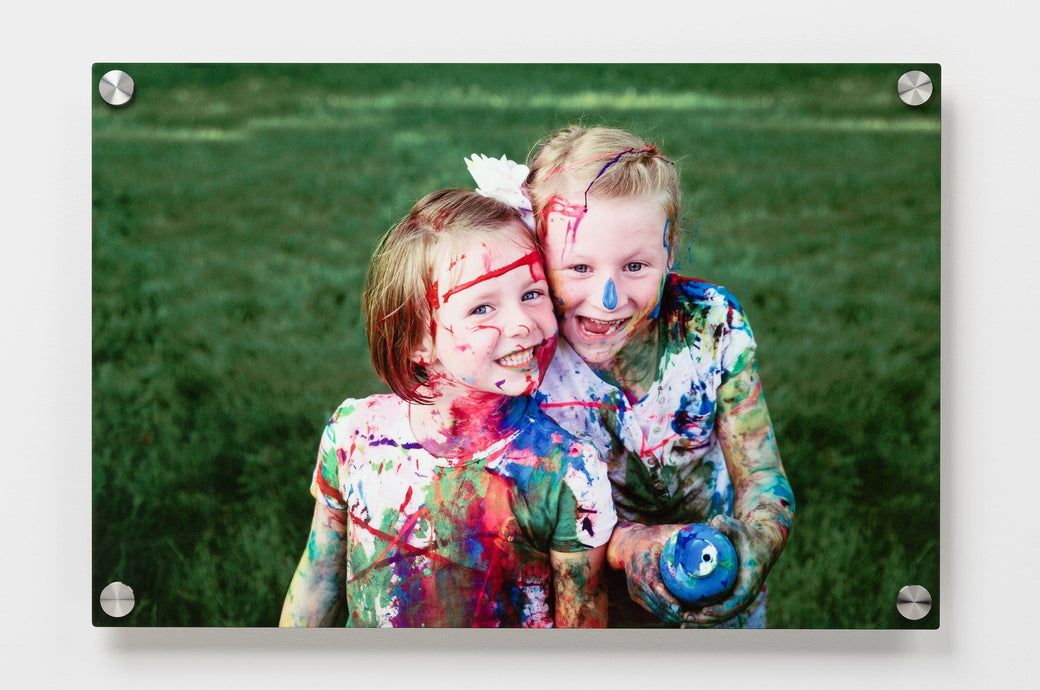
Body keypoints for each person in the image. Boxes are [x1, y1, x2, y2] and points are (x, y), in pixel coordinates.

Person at [279, 188, 617, 628]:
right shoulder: (354, 437)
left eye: (532, 294)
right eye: (482, 307)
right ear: (420, 340)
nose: (521, 323)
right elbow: (319, 580)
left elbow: (582, 629)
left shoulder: (567, 472)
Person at [521, 125, 795, 628]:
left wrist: (758, 539)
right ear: (537, 258)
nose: (608, 298)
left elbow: (760, 473)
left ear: (671, 251)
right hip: (588, 610)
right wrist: (629, 546)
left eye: (636, 265)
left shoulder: (712, 324)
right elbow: (527, 520)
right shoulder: (523, 363)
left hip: (717, 601)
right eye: (578, 267)